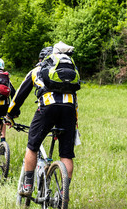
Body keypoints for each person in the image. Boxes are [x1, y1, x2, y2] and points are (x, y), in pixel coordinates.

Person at [6, 42, 79, 196]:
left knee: (32, 146)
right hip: (70, 110)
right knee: (66, 154)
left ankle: (28, 186)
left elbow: (19, 95)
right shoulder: (69, 71)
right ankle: (63, 193)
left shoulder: (37, 71)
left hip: (47, 108)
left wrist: (10, 115)